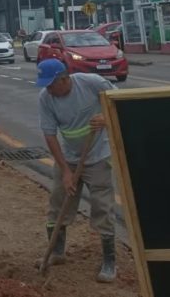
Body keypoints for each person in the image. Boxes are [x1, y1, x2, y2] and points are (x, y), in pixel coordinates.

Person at [36, 58, 117, 283]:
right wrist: (65, 171)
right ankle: (56, 252)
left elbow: (119, 101)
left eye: (51, 84)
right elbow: (50, 135)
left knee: (102, 206)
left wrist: (106, 117)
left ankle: (109, 261)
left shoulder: (91, 83)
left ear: (64, 79)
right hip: (69, 158)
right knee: (58, 202)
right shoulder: (45, 98)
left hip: (98, 155)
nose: (48, 89)